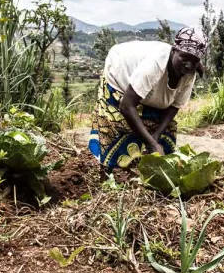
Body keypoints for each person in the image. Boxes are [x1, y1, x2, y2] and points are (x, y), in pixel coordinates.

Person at [88, 27, 206, 180]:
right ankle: (109, 176)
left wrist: (156, 136)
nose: (189, 65)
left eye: (194, 61)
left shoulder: (189, 73)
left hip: (147, 91)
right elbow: (126, 105)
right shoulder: (154, 64)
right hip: (120, 76)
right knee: (119, 125)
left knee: (165, 134)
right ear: (174, 50)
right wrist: (151, 143)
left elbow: (174, 107)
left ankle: (149, 176)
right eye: (185, 58)